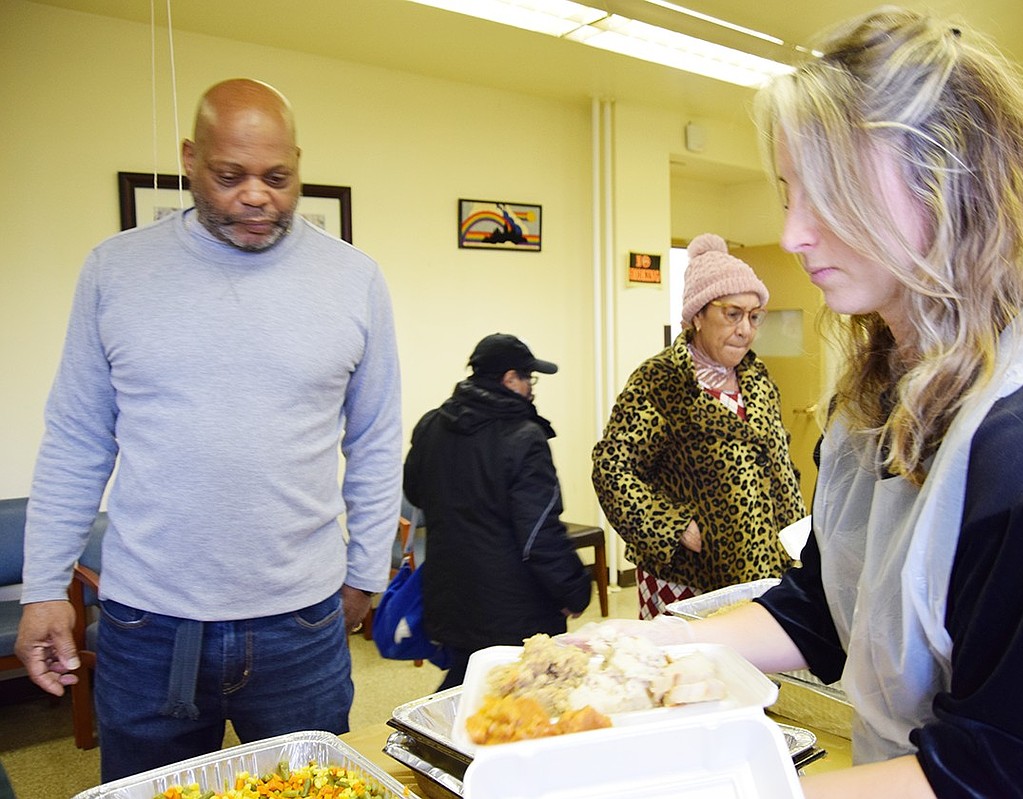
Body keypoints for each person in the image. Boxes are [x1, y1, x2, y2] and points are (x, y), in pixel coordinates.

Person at [570, 8, 1023, 797]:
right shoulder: (876, 395)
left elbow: (1019, 767)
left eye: (828, 195)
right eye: (791, 192)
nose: (792, 234)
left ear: (947, 181)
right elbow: (824, 605)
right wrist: (650, 648)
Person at [15, 78, 402, 782]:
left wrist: (366, 572)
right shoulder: (116, 270)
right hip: (147, 624)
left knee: (312, 793)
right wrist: (44, 585)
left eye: (278, 177)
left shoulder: (354, 279)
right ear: (191, 158)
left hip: (302, 622)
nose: (257, 196)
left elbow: (375, 439)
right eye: (230, 175)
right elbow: (77, 438)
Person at [592, 233, 806, 619]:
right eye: (733, 314)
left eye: (755, 316)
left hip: (761, 568)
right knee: (686, 669)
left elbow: (780, 465)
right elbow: (612, 470)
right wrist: (673, 528)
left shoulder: (757, 378)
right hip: (686, 576)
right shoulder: (662, 381)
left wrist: (798, 540)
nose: (746, 329)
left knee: (749, 669)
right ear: (696, 316)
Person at [404, 333, 592, 690]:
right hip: (513, 607)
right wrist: (572, 590)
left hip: (449, 593)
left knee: (470, 682)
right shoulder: (523, 437)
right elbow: (538, 533)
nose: (532, 388)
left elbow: (416, 492)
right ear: (509, 379)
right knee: (516, 696)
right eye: (529, 379)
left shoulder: (431, 425)